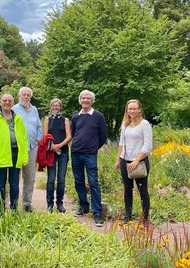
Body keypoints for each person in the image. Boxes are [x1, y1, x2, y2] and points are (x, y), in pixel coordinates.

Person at [71, 90, 108, 227]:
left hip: (90, 155)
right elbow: (74, 133)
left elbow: (103, 136)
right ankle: (83, 207)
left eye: (88, 98)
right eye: (83, 98)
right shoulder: (76, 117)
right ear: (80, 100)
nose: (85, 100)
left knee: (93, 183)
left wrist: (93, 148)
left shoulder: (98, 116)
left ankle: (97, 213)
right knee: (79, 181)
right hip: (75, 153)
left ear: (92, 101)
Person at [0, 94, 28, 211]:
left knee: (14, 185)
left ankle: (14, 210)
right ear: (1, 102)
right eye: (4, 100)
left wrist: (24, 158)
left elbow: (24, 139)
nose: (7, 102)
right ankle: (0, 210)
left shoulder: (18, 118)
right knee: (1, 185)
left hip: (16, 156)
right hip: (1, 156)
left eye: (9, 101)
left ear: (13, 103)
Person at [115, 99, 152, 224]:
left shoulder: (144, 124)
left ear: (139, 110)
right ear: (127, 110)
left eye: (134, 108)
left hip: (139, 163)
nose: (132, 111)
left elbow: (147, 146)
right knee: (127, 189)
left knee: (142, 191)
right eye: (130, 108)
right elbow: (121, 143)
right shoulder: (125, 124)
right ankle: (128, 215)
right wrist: (118, 159)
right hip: (125, 160)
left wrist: (136, 160)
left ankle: (145, 218)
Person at [12, 87, 42, 212]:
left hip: (31, 148)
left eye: (28, 95)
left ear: (30, 97)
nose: (25, 97)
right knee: (15, 176)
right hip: (17, 149)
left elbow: (39, 127)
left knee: (30, 177)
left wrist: (37, 139)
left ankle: (27, 203)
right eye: (23, 95)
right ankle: (13, 203)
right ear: (19, 96)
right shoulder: (14, 109)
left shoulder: (34, 109)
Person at [43, 98, 72, 213]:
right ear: (51, 107)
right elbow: (46, 136)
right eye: (53, 105)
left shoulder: (65, 120)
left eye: (57, 105)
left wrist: (59, 146)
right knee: (51, 179)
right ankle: (49, 204)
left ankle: (59, 203)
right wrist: (53, 147)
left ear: (60, 107)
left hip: (63, 151)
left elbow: (69, 136)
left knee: (61, 179)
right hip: (51, 152)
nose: (55, 107)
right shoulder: (47, 119)